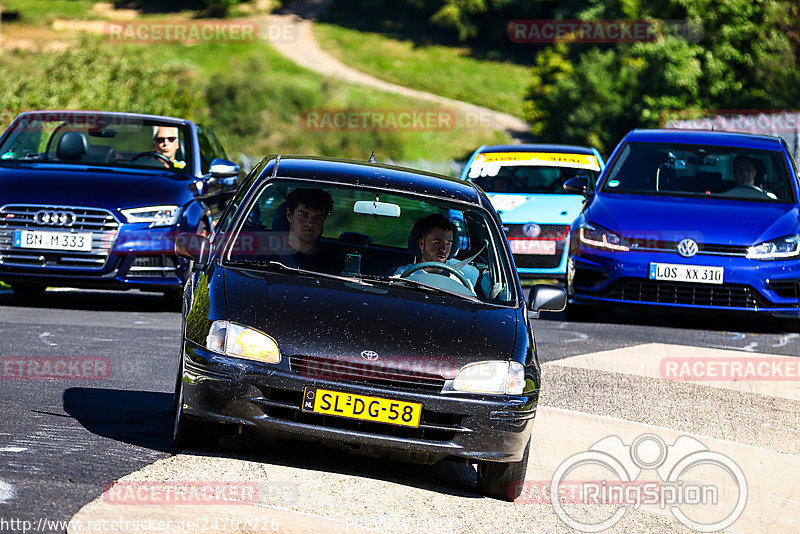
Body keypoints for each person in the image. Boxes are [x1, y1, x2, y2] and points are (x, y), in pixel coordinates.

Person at [393, 214, 476, 290]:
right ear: (422, 244)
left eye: (448, 243)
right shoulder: (403, 275)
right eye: (438, 242)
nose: (443, 249)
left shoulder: (459, 280)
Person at [282, 187, 337, 273]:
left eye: (318, 218)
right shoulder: (266, 256)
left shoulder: (331, 265)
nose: (310, 223)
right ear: (289, 215)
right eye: (303, 215)